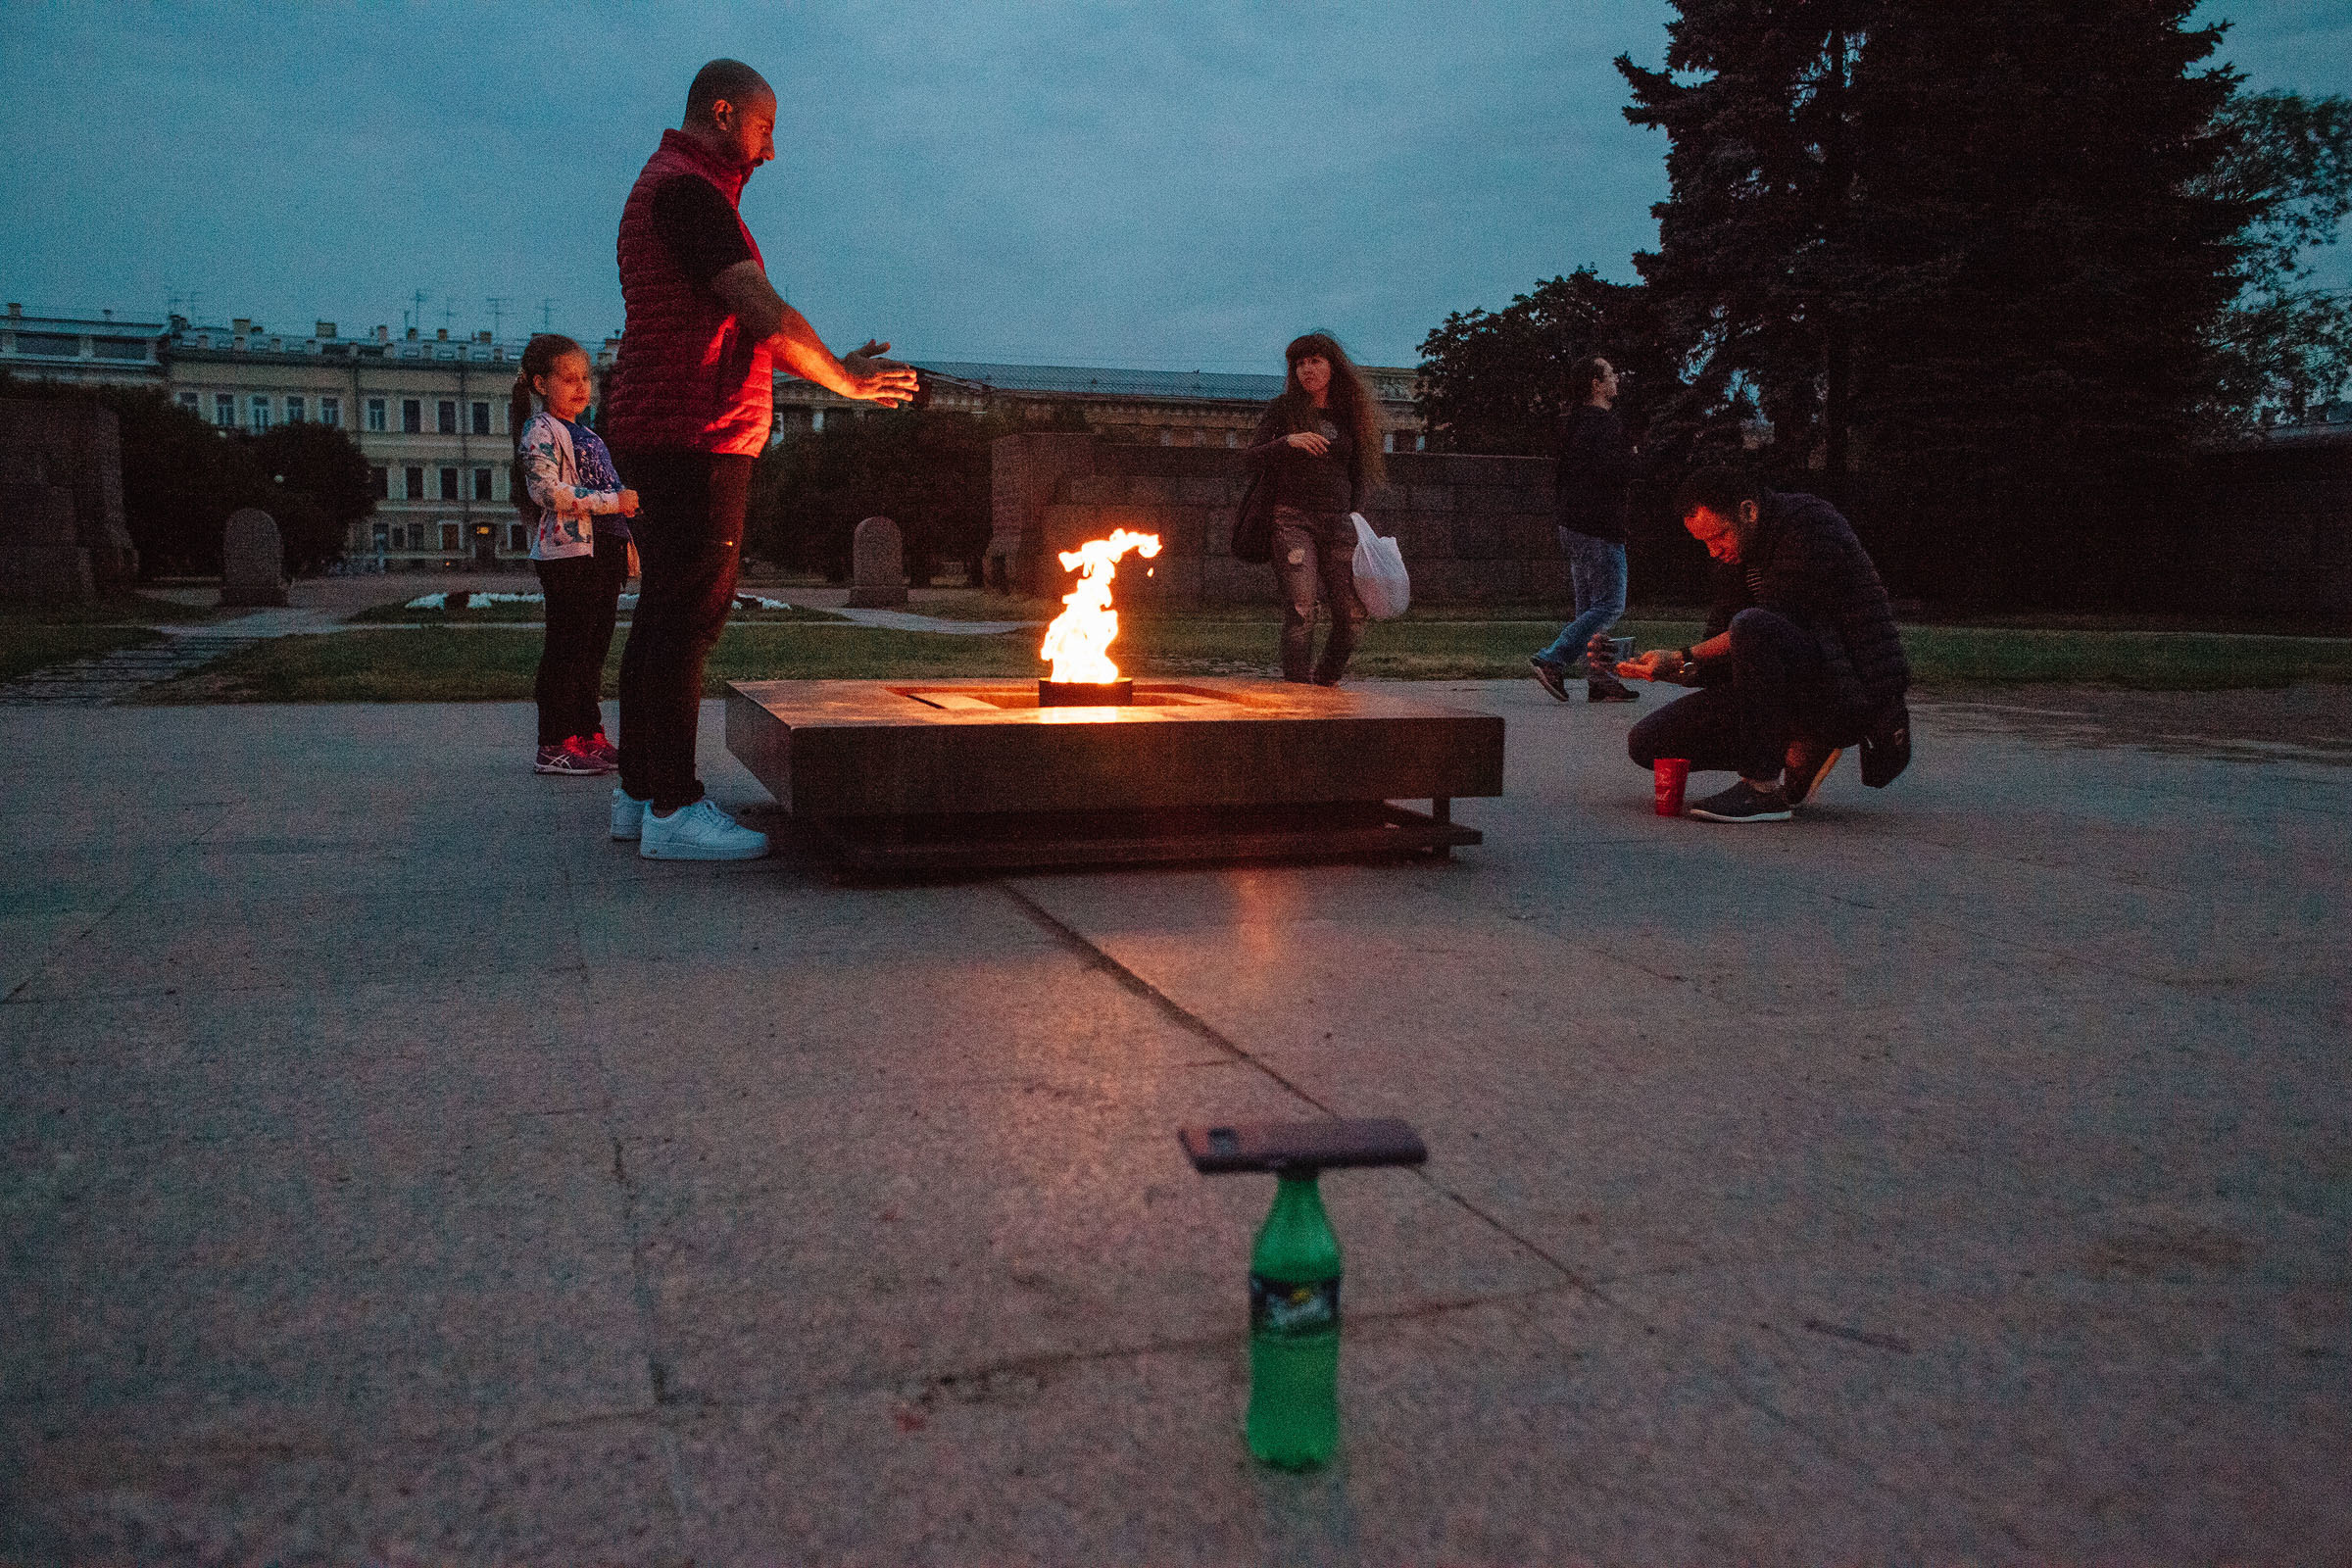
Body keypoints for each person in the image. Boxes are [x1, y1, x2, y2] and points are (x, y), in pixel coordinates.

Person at [604, 57, 918, 860]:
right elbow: (760, 308)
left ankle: (639, 795)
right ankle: (674, 809)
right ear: (722, 113)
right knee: (688, 620)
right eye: (765, 128)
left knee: (665, 616)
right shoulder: (687, 192)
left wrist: (829, 363)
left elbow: (730, 325)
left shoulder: (672, 186)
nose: (772, 150)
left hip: (665, 426)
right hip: (694, 434)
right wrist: (844, 380)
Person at [1615, 467, 1912, 823]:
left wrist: (1684, 655)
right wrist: (1668, 670)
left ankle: (1761, 788)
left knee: (1754, 625)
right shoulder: (1734, 559)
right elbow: (1723, 656)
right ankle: (1792, 749)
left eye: (1720, 535)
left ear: (1749, 510)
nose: (1714, 551)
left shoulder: (1809, 524)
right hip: (1781, 691)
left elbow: (1770, 624)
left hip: (1846, 693)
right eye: (1704, 543)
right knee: (1649, 744)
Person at [513, 334, 638, 777]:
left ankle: (587, 734)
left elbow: (611, 491)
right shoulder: (540, 430)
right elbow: (545, 490)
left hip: (600, 552)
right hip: (567, 555)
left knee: (591, 650)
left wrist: (627, 543)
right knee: (566, 650)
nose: (580, 386)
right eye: (568, 379)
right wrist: (613, 503)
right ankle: (553, 743)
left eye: (584, 377)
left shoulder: (587, 434)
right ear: (541, 384)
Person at [1241, 332, 1387, 685]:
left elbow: (1360, 473)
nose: (1307, 369)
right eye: (1300, 363)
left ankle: (1324, 683)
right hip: (1291, 520)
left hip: (1338, 523)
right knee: (1301, 610)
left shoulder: (1349, 413)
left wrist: (1355, 516)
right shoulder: (1283, 409)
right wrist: (1287, 441)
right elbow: (1249, 458)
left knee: (1352, 613)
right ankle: (1297, 692)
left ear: (1332, 366)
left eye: (1315, 361)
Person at [1531, 356, 1641, 704]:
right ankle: (1552, 659)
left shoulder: (1571, 425)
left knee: (1589, 609)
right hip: (1600, 526)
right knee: (1610, 605)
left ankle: (1601, 679)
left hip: (1573, 525)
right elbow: (1615, 473)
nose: (1617, 378)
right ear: (1596, 383)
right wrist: (1633, 457)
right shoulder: (1606, 426)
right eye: (1610, 373)